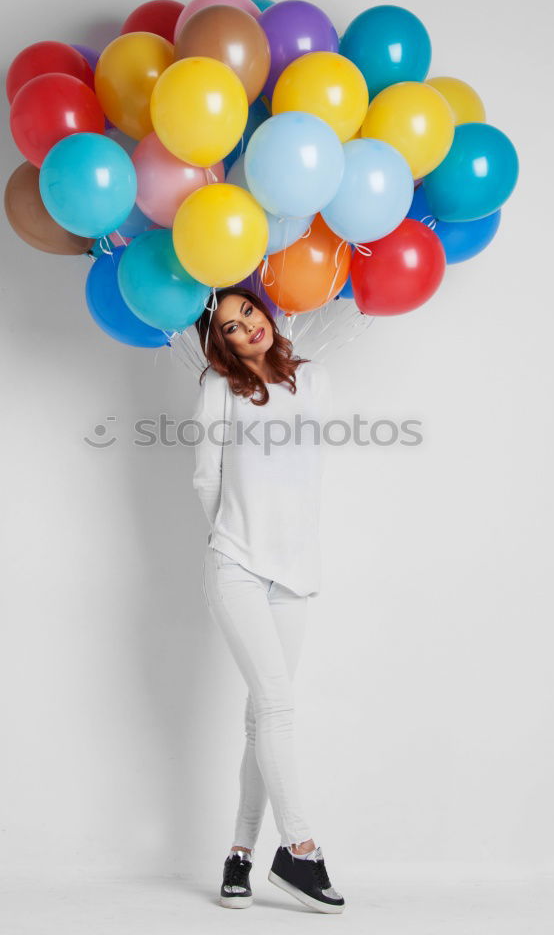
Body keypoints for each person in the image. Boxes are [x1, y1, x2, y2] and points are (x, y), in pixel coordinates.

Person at [191, 284, 345, 914]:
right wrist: (228, 541)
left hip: (295, 572)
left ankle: (239, 856)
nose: (245, 327)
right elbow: (207, 475)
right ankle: (301, 849)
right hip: (237, 565)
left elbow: (305, 473)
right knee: (278, 707)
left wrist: (288, 544)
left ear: (265, 311)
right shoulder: (216, 388)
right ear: (220, 341)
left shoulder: (316, 380)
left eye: (247, 312)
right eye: (229, 326)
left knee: (262, 717)